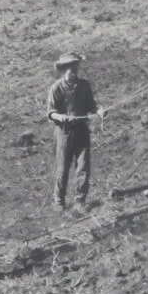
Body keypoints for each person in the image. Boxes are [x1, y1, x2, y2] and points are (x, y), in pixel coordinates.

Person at [47, 53, 96, 212]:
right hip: (64, 133)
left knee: (83, 167)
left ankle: (80, 200)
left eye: (76, 67)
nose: (74, 71)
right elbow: (50, 112)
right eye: (70, 68)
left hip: (82, 130)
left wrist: (100, 111)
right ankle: (59, 201)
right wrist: (60, 117)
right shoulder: (56, 88)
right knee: (62, 169)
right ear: (64, 70)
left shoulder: (84, 86)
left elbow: (92, 106)